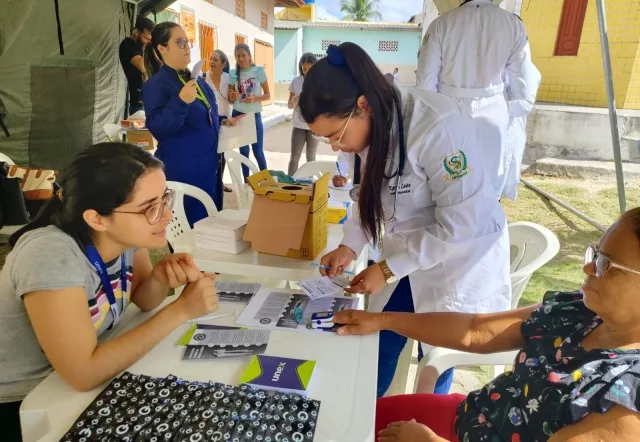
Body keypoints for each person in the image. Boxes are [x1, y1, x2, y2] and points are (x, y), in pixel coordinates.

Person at [298, 42, 511, 398]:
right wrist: (349, 247)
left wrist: (387, 268)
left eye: (335, 136)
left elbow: (460, 223)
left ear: (362, 106)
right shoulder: (366, 129)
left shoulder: (437, 126)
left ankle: (425, 417)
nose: (335, 147)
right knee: (377, 340)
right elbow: (366, 197)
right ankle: (366, 411)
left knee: (436, 358)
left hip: (458, 259)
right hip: (407, 258)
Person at [333, 207, 640, 442]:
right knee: (336, 416)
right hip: (468, 415)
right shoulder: (580, 310)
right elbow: (479, 331)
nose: (588, 267)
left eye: (606, 264)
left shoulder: (626, 398)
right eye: (595, 254)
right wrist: (383, 320)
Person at [0, 143, 219, 442]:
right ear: (96, 219)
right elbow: (83, 374)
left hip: (73, 382)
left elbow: (142, 299)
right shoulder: (50, 254)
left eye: (165, 199)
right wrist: (181, 310)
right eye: (150, 208)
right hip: (25, 403)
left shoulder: (125, 236)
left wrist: (159, 278)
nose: (167, 215)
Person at [417, 0, 534, 197]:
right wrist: (503, 102)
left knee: (449, 183)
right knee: (489, 189)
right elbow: (522, 87)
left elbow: (426, 84)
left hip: (449, 114)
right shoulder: (513, 24)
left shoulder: (441, 24)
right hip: (494, 115)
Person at [143, 22, 235, 225]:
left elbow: (202, 117)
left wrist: (223, 121)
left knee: (211, 226)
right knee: (191, 231)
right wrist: (180, 101)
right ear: (162, 49)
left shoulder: (197, 79)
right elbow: (158, 127)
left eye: (188, 41)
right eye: (180, 42)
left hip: (209, 166)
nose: (187, 47)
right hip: (184, 170)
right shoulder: (156, 85)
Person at [229, 43, 270, 179]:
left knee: (258, 151)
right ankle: (247, 183)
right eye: (238, 56)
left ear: (249, 56)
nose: (241, 59)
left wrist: (255, 98)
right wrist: (232, 95)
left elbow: (268, 95)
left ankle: (266, 181)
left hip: (253, 116)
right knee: (243, 152)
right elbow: (230, 97)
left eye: (243, 55)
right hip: (238, 115)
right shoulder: (233, 73)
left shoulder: (258, 71)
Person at [501, 62, 541, 200]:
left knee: (498, 178)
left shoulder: (528, 70)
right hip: (484, 130)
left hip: (506, 130)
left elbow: (521, 105)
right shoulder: (492, 61)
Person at [205, 49, 234, 194]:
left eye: (216, 59)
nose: (212, 62)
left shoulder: (229, 78)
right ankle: (209, 182)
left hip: (224, 119)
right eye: (211, 59)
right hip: (209, 119)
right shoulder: (203, 78)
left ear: (223, 64)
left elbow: (231, 100)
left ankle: (219, 182)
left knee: (222, 154)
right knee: (209, 152)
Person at [287, 53, 319, 176]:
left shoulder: (319, 83)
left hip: (314, 127)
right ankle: (290, 182)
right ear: (301, 67)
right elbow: (289, 105)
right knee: (294, 158)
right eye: (304, 69)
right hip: (298, 126)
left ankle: (310, 184)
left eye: (310, 69)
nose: (307, 72)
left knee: (311, 158)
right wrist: (294, 102)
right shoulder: (296, 82)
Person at [119, 16, 155, 115]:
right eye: (145, 38)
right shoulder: (128, 44)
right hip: (139, 103)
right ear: (136, 32)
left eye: (150, 39)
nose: (147, 42)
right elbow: (143, 67)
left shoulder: (140, 47)